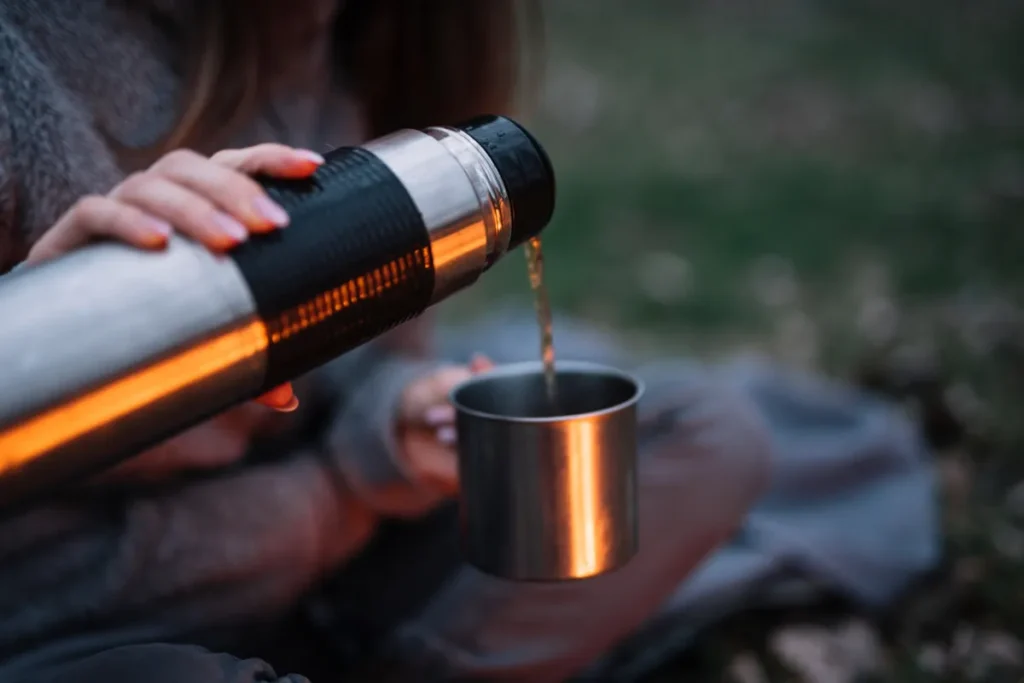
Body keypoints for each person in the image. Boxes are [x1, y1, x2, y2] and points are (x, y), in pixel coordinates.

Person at [0, 1, 936, 682]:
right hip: (82, 622)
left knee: (708, 435)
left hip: (330, 571)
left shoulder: (361, 48)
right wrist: (40, 315)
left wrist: (395, 425)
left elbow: (365, 375)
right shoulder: (25, 68)